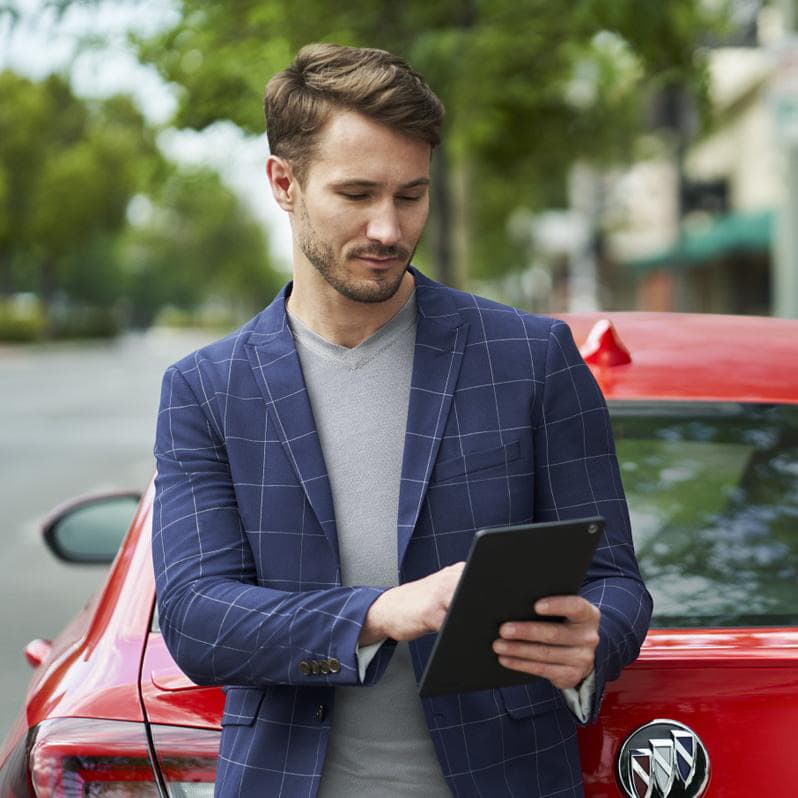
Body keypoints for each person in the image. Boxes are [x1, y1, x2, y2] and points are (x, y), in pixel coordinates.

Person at [152, 43, 652, 798]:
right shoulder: (206, 389)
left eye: (410, 195)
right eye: (356, 194)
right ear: (283, 184)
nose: (388, 228)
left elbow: (616, 582)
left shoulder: (532, 356)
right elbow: (198, 619)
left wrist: (594, 638)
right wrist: (385, 611)